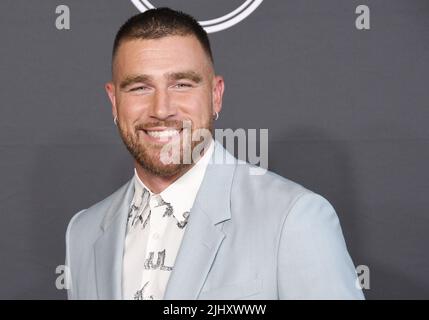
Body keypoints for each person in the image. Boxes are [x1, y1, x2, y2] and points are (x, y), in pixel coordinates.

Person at [65, 7, 364, 300]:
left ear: (215, 95)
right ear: (114, 101)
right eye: (140, 87)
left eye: (181, 84)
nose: (161, 109)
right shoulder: (83, 232)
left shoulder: (294, 219)